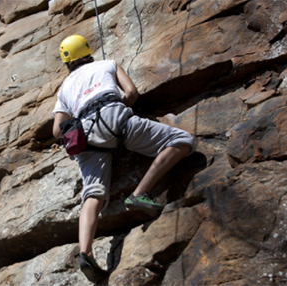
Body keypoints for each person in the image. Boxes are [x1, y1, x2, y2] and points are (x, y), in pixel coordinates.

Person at [52, 35, 194, 282]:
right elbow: (132, 92)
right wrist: (120, 115)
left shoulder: (63, 88)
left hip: (86, 136)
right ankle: (140, 193)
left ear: (67, 62)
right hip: (115, 117)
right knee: (182, 141)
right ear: (87, 51)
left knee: (93, 194)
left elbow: (57, 131)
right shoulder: (108, 64)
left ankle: (85, 253)